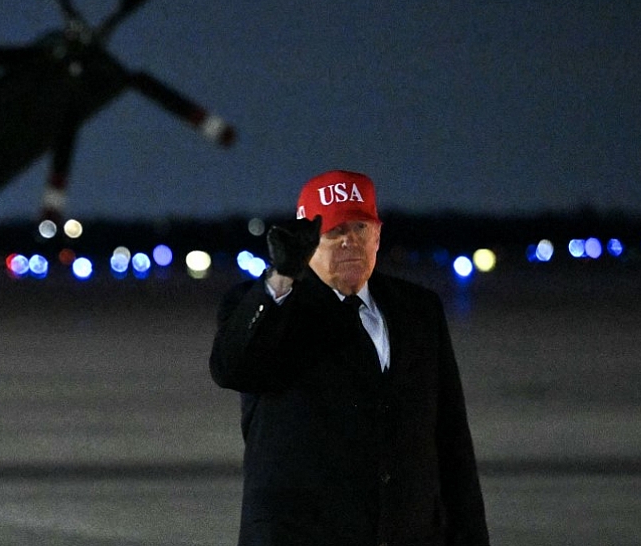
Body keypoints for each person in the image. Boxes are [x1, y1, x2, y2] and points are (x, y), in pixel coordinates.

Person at [210, 169, 490, 545]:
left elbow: (452, 445)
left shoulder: (418, 309)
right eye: (335, 231)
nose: (350, 242)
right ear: (307, 243)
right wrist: (280, 278)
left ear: (378, 235)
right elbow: (231, 368)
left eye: (361, 228)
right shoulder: (271, 307)